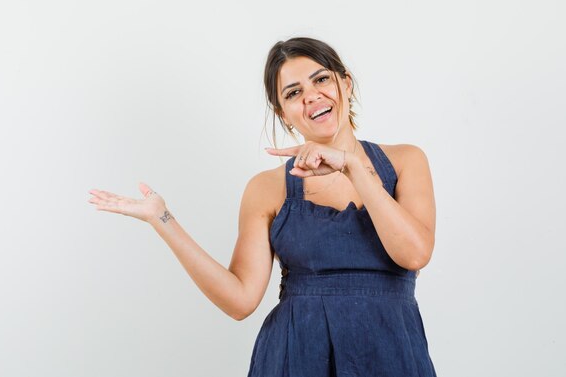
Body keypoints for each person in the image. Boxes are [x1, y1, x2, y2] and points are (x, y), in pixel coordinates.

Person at [88, 37, 437, 376]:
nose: (312, 96)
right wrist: (162, 219)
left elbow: (414, 255)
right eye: (293, 92)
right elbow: (240, 300)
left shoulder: (405, 161)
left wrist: (353, 167)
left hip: (393, 352)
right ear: (283, 113)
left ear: (346, 85)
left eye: (321, 79)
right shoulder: (267, 188)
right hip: (297, 356)